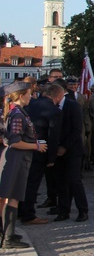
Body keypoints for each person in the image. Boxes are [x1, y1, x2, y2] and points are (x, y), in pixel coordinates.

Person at [1, 81, 48, 248]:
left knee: (14, 197)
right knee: (11, 197)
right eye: (29, 94)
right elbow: (15, 142)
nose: (31, 97)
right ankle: (7, 237)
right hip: (16, 159)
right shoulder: (18, 115)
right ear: (21, 96)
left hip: (20, 159)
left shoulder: (18, 112)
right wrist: (36, 146)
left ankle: (9, 234)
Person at [18, 83, 63, 225]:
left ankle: (20, 210)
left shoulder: (31, 104)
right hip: (40, 150)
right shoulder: (55, 111)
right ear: (58, 96)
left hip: (25, 147)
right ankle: (28, 215)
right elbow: (53, 135)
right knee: (33, 183)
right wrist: (52, 157)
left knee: (23, 181)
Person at [53, 79, 89, 223]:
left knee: (75, 181)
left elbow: (77, 130)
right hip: (58, 150)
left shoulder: (73, 106)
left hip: (73, 149)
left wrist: (64, 147)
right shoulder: (53, 107)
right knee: (61, 181)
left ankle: (83, 210)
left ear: (59, 95)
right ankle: (63, 210)